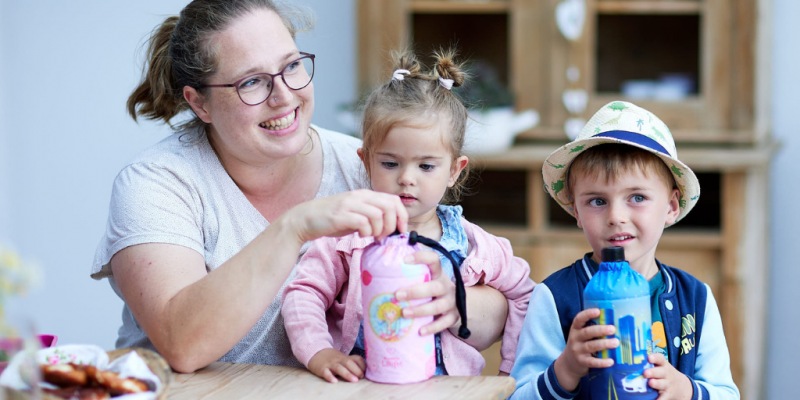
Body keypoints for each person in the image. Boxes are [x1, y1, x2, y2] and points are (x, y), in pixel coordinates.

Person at [90, 0, 509, 374]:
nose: (284, 95)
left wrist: (455, 302)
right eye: (251, 82)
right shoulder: (157, 184)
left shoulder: (369, 163)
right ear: (199, 103)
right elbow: (182, 344)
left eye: (291, 66)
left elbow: (490, 294)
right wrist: (295, 227)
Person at [281, 49, 535, 383]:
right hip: (365, 389)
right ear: (365, 161)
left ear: (454, 171)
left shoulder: (476, 246)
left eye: (426, 166)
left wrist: (511, 375)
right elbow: (304, 292)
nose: (407, 178)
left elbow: (525, 296)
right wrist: (318, 352)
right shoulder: (346, 237)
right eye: (390, 163)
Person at [509, 101, 739, 400]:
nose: (616, 216)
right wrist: (565, 369)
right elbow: (517, 396)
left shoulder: (696, 298)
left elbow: (726, 393)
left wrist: (687, 391)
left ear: (671, 206)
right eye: (597, 201)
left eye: (637, 197)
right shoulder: (555, 297)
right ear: (576, 210)